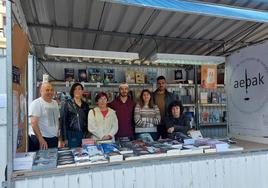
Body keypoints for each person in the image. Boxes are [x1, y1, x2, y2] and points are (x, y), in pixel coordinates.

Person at [28, 82, 60, 151]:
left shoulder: (54, 103)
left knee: (53, 159)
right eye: (47, 90)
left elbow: (56, 120)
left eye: (51, 90)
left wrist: (58, 136)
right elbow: (34, 123)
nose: (50, 92)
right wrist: (40, 139)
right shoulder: (36, 103)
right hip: (41, 139)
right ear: (41, 91)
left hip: (53, 138)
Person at [60, 83, 89, 148]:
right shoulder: (67, 104)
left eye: (79, 89)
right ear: (72, 91)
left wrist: (87, 134)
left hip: (83, 134)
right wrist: (64, 138)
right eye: (75, 89)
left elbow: (88, 121)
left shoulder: (86, 105)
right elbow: (63, 121)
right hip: (71, 134)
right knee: (73, 153)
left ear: (82, 91)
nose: (77, 91)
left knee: (84, 154)